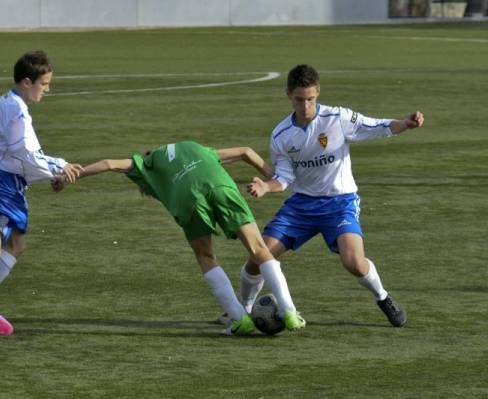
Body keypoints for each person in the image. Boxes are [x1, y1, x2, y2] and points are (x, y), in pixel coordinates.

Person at [53, 141, 306, 335]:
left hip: (188, 198)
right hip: (220, 184)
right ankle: (290, 311)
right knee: (258, 247)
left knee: (206, 255)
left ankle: (239, 319)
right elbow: (246, 151)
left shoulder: (146, 162)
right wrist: (271, 176)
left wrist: (70, 176)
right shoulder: (195, 147)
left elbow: (108, 164)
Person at [242, 64, 425, 327]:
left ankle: (383, 297)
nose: (305, 105)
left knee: (354, 263)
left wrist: (405, 124)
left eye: (310, 99)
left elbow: (377, 126)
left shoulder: (338, 118)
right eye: (299, 99)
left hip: (340, 203)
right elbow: (284, 177)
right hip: (301, 206)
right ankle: (242, 310)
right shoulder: (281, 135)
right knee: (257, 258)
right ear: (288, 95)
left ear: (317, 92)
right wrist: (265, 186)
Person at [0, 51, 83, 335]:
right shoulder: (17, 111)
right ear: (27, 82)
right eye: (44, 84)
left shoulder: (11, 103)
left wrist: (54, 172)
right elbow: (25, 154)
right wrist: (60, 167)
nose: (47, 90)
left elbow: (22, 158)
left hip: (1, 181)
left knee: (16, 245)